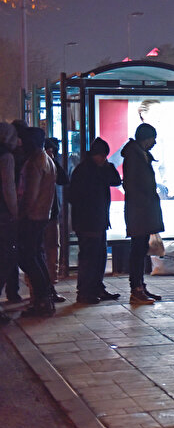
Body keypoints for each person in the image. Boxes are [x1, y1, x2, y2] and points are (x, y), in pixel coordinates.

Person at [69, 138, 122, 304]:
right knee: (89, 257)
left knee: (98, 256)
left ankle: (96, 288)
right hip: (88, 222)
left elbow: (116, 181)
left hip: (98, 221)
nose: (104, 158)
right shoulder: (85, 170)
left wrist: (108, 166)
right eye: (102, 155)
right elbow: (74, 196)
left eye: (105, 156)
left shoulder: (99, 169)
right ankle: (85, 291)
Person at [122, 123, 165, 305]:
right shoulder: (135, 156)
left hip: (142, 210)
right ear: (145, 138)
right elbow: (133, 185)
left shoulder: (140, 155)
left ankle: (140, 286)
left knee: (140, 249)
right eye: (153, 138)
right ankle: (136, 289)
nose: (154, 142)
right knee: (138, 250)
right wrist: (146, 202)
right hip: (140, 211)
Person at [18, 127, 57, 317]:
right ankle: (45, 297)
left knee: (29, 258)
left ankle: (42, 299)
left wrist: (21, 212)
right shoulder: (47, 159)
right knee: (36, 256)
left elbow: (30, 193)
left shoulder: (36, 161)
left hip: (33, 216)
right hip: (42, 215)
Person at [43, 138, 69, 302]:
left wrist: (54, 160)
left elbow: (63, 179)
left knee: (53, 251)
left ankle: (50, 287)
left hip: (51, 215)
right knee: (43, 253)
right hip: (39, 216)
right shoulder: (35, 162)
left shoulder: (50, 164)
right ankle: (40, 291)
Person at [0, 123, 18, 306]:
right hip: (3, 214)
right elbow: (8, 187)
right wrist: (15, 212)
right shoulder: (6, 157)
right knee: (6, 257)